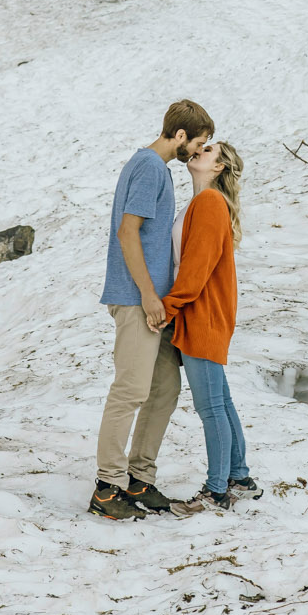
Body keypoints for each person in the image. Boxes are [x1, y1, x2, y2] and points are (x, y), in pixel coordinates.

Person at [90, 99, 214, 521]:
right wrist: (146, 294)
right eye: (197, 143)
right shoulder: (149, 167)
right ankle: (108, 486)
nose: (197, 152)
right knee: (130, 391)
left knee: (164, 390)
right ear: (179, 136)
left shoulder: (156, 169)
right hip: (135, 298)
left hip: (155, 303)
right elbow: (128, 233)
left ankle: (139, 477)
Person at [161, 140, 260, 515]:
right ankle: (239, 478)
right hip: (206, 314)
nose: (199, 150)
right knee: (221, 401)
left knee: (210, 408)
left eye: (209, 150)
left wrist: (167, 308)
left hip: (201, 315)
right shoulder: (203, 203)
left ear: (218, 167)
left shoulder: (208, 203)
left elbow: (195, 268)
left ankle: (216, 491)